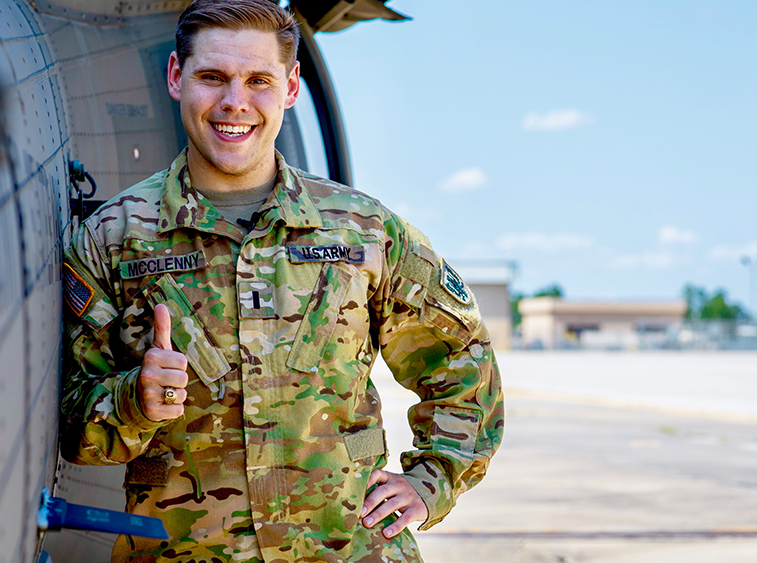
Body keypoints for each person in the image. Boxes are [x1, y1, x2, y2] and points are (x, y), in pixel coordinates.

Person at [59, 1, 503, 561]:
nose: (234, 102)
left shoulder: (363, 230)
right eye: (212, 77)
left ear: (290, 87)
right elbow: (74, 428)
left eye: (258, 80)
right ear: (177, 77)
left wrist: (432, 479)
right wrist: (135, 400)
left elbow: (462, 357)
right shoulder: (113, 239)